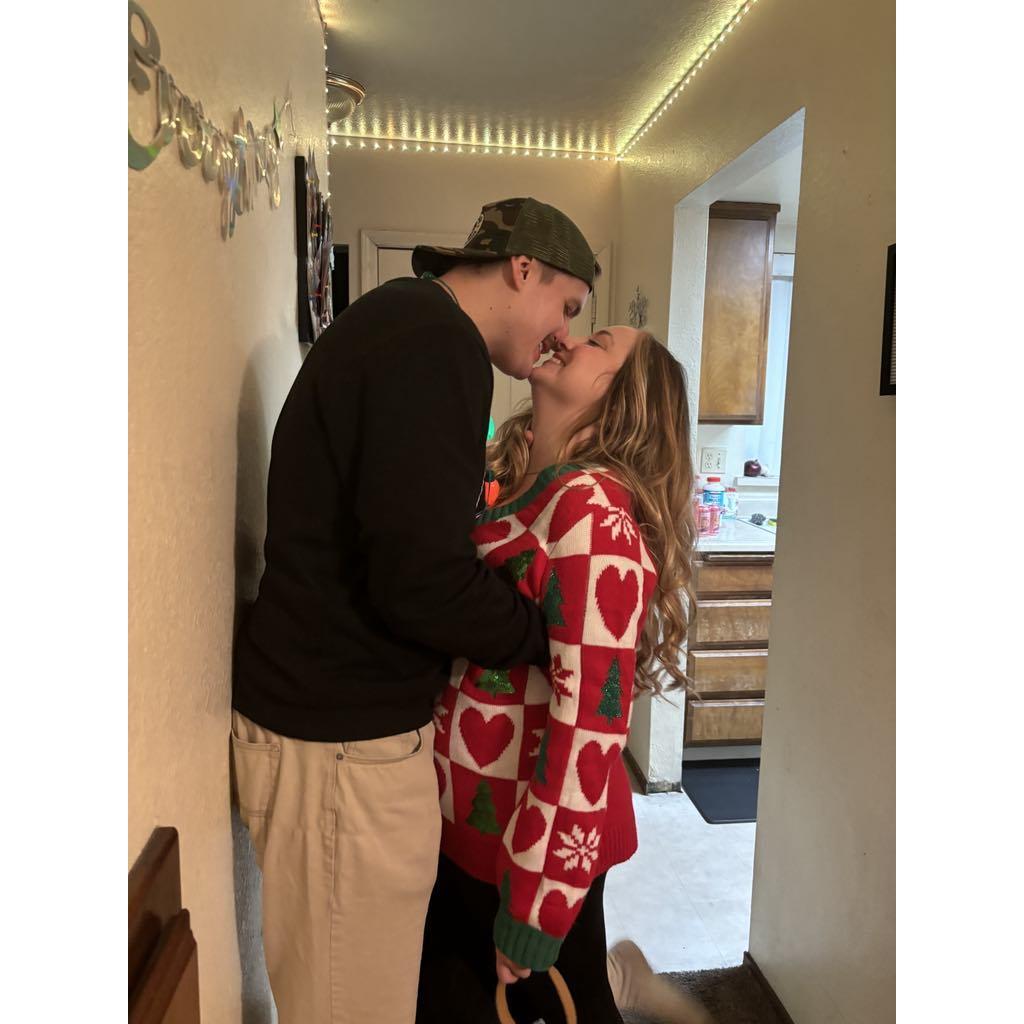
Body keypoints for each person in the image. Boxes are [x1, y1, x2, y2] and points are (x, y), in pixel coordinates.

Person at [230, 197, 600, 1024]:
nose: (563, 336)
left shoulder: (410, 327)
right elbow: (422, 582)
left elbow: (406, 550)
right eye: (568, 307)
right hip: (340, 745)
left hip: (334, 731)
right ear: (524, 269)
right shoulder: (436, 345)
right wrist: (547, 636)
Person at [417, 326, 711, 1023]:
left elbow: (589, 725)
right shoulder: (531, 490)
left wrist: (537, 903)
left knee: (562, 1006)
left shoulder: (592, 515)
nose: (570, 337)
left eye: (597, 341)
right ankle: (616, 975)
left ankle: (614, 979)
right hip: (473, 833)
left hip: (538, 848)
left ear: (621, 402)